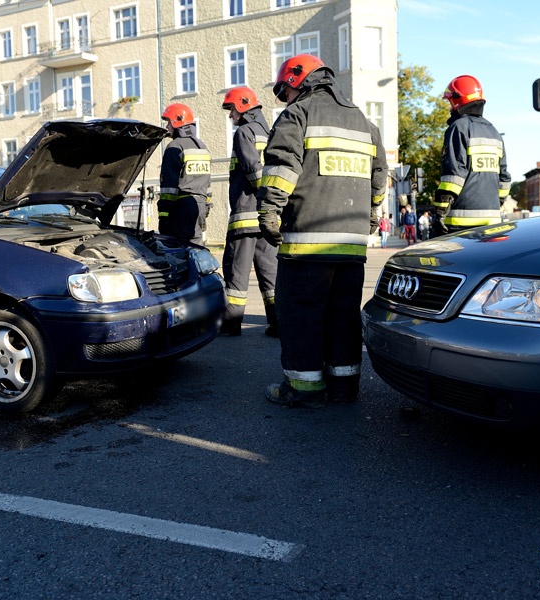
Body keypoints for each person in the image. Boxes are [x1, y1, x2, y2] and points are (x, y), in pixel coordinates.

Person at [257, 53, 388, 408]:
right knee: (343, 317)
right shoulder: (364, 122)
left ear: (297, 80)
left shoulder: (298, 114)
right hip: (351, 246)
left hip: (306, 246)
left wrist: (269, 211)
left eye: (285, 91)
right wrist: (372, 215)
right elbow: (380, 178)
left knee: (302, 315)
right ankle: (344, 389)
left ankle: (304, 390)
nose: (286, 99)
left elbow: (282, 168)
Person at [220, 86, 279, 337]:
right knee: (270, 274)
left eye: (232, 109)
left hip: (245, 215)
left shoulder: (244, 131)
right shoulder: (270, 132)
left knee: (236, 272)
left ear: (243, 106)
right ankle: (278, 323)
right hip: (266, 216)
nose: (231, 115)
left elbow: (253, 169)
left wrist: (260, 191)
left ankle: (231, 324)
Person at [432, 75, 511, 235]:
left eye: (450, 102)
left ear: (457, 100)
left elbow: (453, 175)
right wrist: (496, 203)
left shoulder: (458, 128)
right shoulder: (494, 132)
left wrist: (439, 211)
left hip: (460, 223)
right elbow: (504, 179)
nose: (450, 107)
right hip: (492, 222)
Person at [158, 103, 212, 245]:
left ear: (177, 122)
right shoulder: (202, 147)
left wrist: (163, 215)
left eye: (168, 122)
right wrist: (205, 209)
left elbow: (169, 186)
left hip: (180, 208)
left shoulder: (174, 147)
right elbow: (208, 184)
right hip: (199, 206)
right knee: (196, 247)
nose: (166, 127)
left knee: (178, 250)